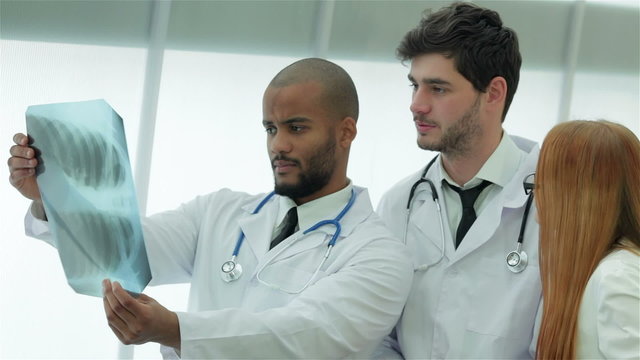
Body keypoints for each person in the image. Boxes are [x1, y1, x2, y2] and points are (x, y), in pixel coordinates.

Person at [7, 58, 413, 359]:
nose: (278, 145)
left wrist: (175, 328)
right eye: (270, 129)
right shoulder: (220, 212)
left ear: (346, 132)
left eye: (296, 127)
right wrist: (52, 197)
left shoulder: (379, 255)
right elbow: (123, 251)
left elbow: (302, 337)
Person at [375, 2, 541, 358]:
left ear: (494, 93)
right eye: (414, 86)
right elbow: (378, 337)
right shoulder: (397, 205)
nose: (416, 105)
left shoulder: (555, 204)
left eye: (437, 88)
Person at [534, 120, 640, 359]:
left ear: (574, 195)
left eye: (542, 183)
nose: (536, 194)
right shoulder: (604, 269)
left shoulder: (618, 277)